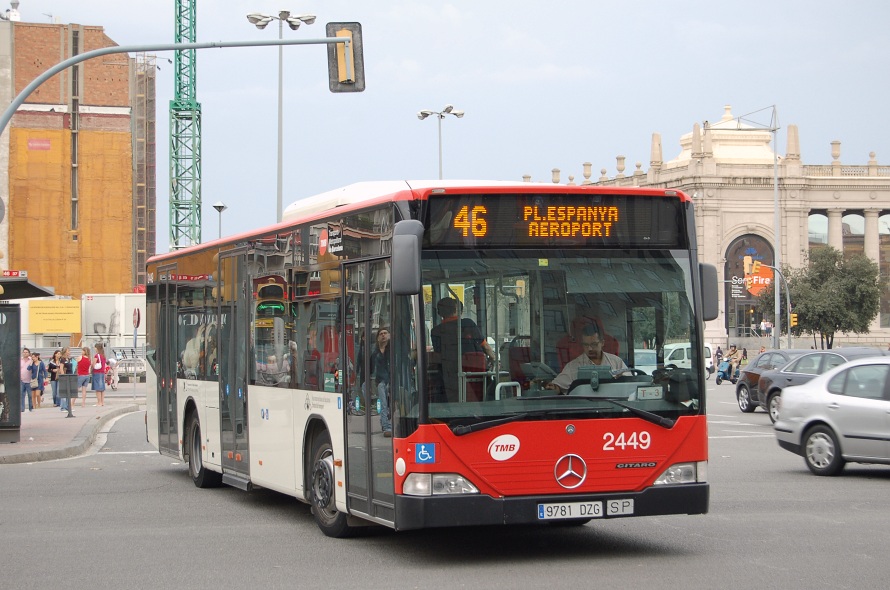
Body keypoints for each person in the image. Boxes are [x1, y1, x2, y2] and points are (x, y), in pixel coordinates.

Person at [429, 297, 496, 403]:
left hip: (449, 378)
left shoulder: (435, 331)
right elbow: (486, 347)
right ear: (456, 310)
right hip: (476, 376)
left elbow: (439, 354)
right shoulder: (468, 324)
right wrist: (494, 359)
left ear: (439, 312)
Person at [546, 324, 629, 394]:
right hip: (585, 409)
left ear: (602, 343)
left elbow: (630, 383)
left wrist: (621, 378)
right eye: (586, 345)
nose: (589, 349)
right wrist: (552, 387)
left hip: (613, 409)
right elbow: (558, 386)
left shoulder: (616, 362)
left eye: (593, 344)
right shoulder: (573, 366)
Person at [370, 326, 392, 436]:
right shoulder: (375, 353)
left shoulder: (392, 349)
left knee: (392, 405)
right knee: (384, 404)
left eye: (385, 333)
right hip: (381, 382)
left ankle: (387, 423)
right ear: (378, 338)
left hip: (392, 381)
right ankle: (386, 426)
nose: (383, 335)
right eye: (381, 334)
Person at [20, 348, 34, 412]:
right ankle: (22, 408)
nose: (25, 353)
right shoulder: (20, 360)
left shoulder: (31, 360)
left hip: (29, 380)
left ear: (29, 353)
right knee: (21, 395)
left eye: (26, 352)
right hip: (21, 380)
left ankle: (31, 408)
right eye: (24, 352)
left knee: (30, 395)